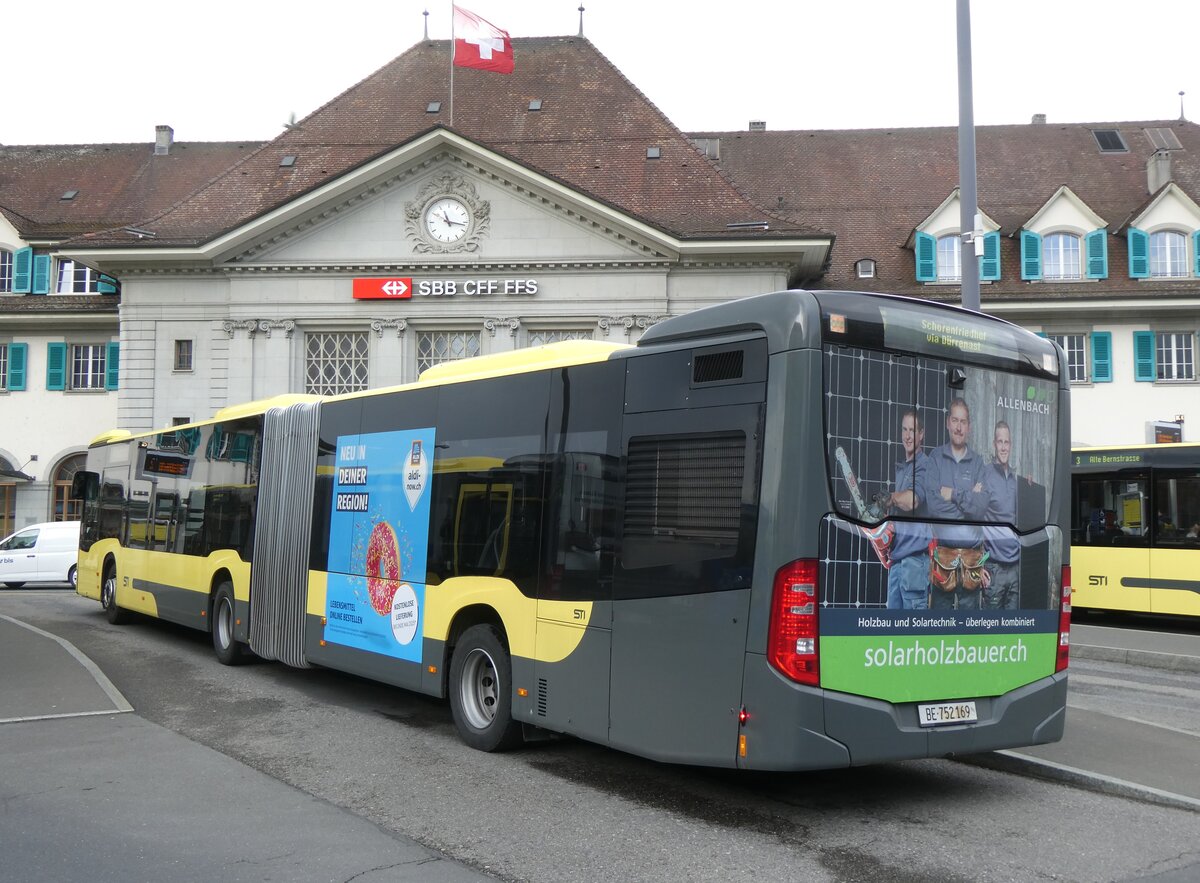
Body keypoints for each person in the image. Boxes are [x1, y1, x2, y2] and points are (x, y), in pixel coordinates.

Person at [923, 397, 988, 610]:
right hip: (943, 560)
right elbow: (934, 507)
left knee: (970, 630)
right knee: (939, 627)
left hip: (973, 562)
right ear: (947, 423)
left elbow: (980, 510)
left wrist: (951, 494)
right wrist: (969, 496)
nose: (959, 427)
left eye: (963, 422)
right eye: (955, 421)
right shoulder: (935, 458)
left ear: (969, 427)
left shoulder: (978, 463)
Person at [886, 409, 932, 609]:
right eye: (904, 429)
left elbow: (913, 500)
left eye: (912, 430)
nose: (907, 435)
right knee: (891, 633)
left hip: (914, 563)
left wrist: (891, 498)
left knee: (913, 634)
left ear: (921, 434)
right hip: (897, 561)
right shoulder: (903, 469)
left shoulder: (926, 466)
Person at [982, 420, 1020, 609]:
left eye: (1006, 442)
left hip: (1015, 567)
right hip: (993, 568)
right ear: (994, 444)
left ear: (1010, 445)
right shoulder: (985, 475)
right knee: (991, 631)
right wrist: (978, 565)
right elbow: (974, 520)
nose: (1003, 447)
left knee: (1013, 629)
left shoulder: (1016, 480)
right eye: (1000, 442)